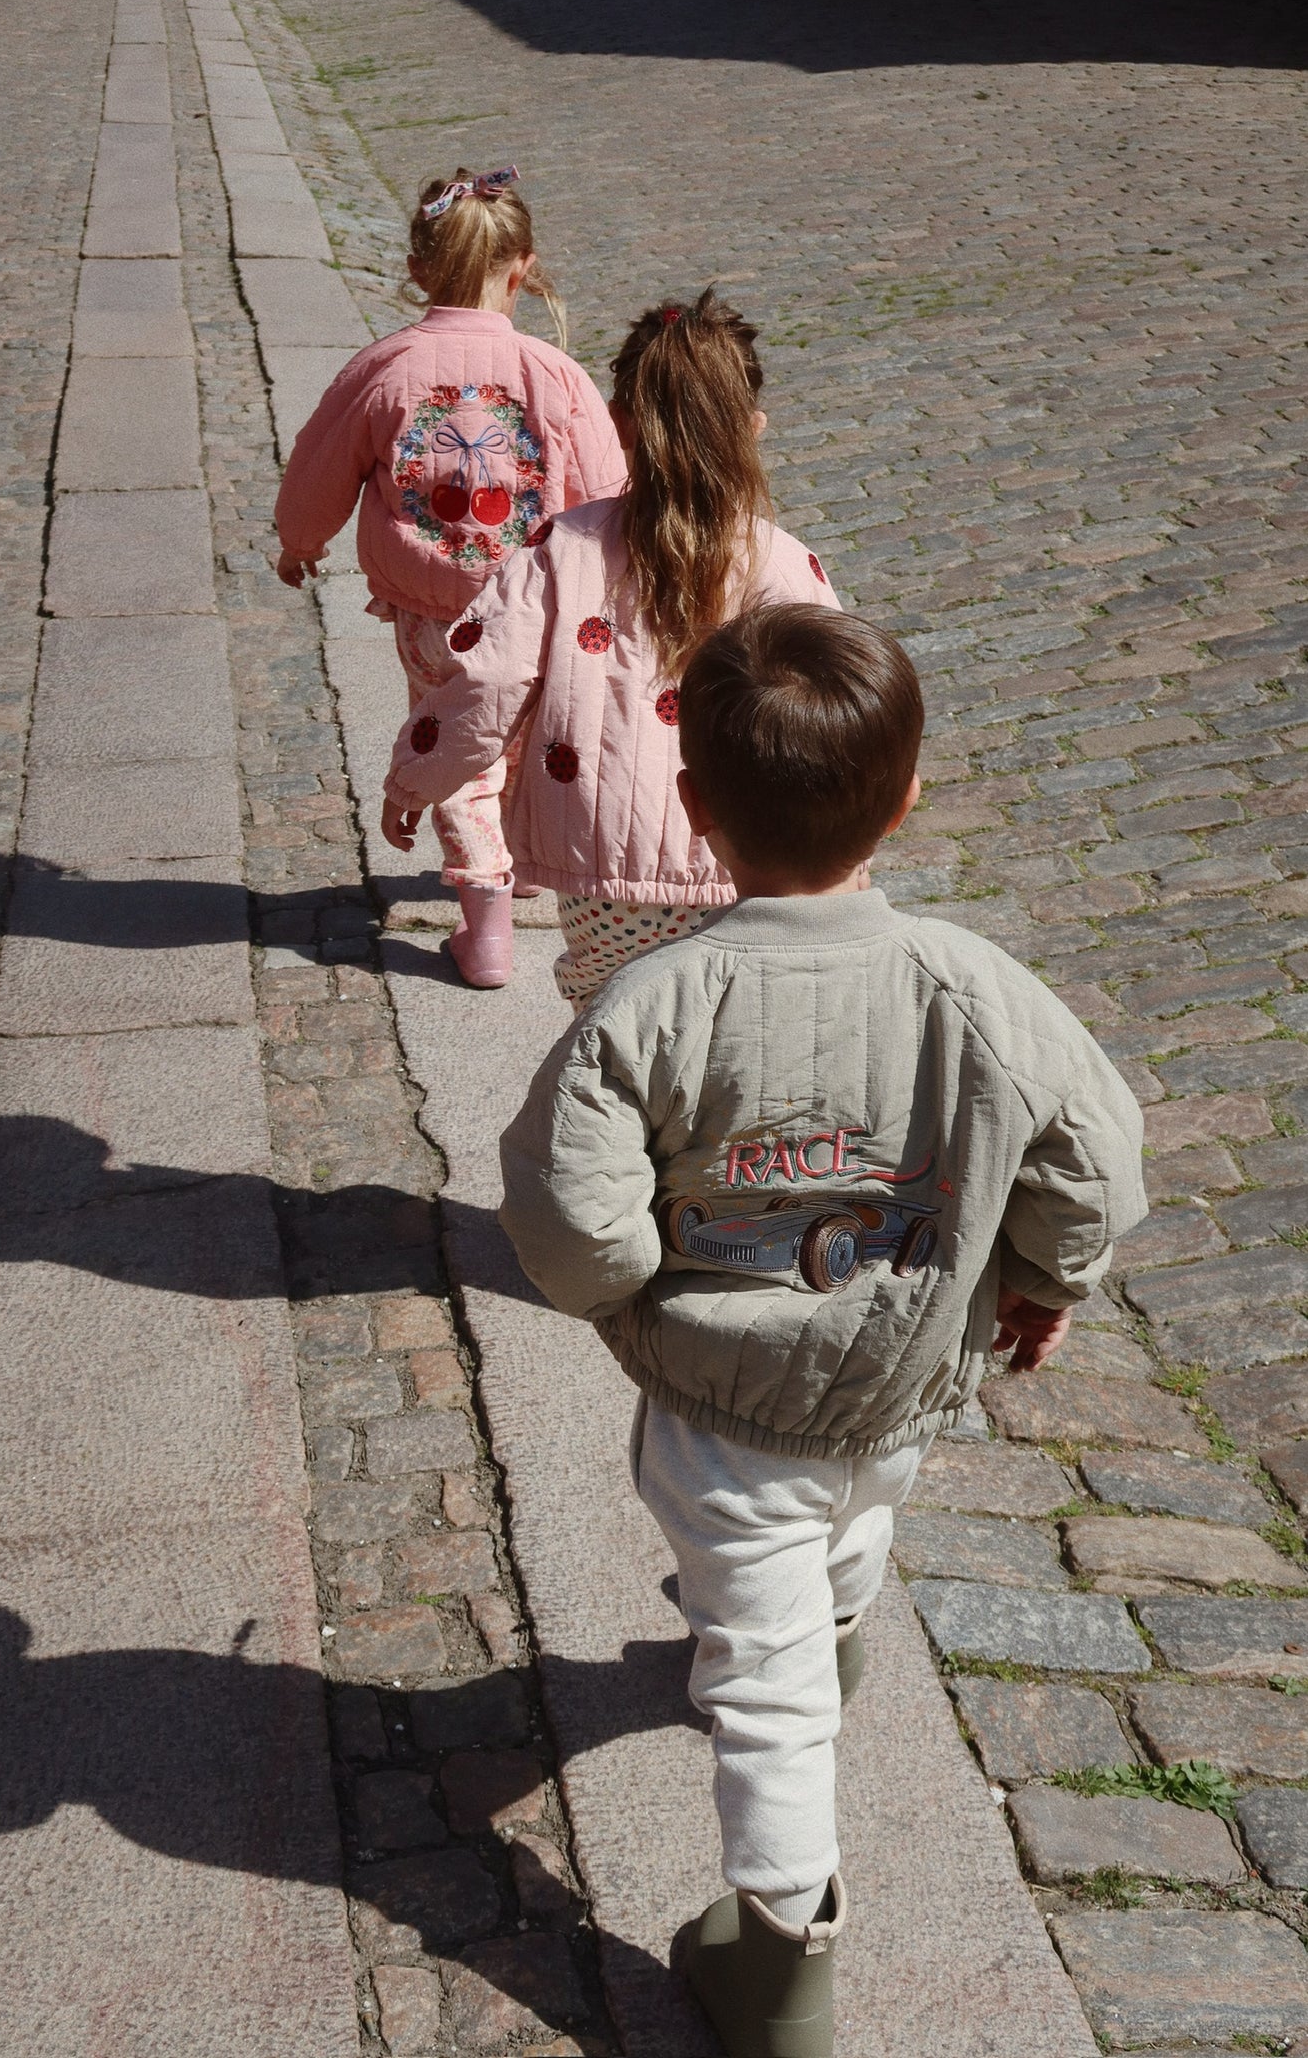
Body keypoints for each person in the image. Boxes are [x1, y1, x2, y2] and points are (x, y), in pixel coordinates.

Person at [497, 603, 1147, 2058]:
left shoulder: (646, 1006)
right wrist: (1042, 1283)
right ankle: (838, 1628)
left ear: (693, 807)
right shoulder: (982, 990)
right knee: (854, 1522)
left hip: (725, 1411)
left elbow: (570, 1221)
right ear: (906, 797)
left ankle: (785, 1949)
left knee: (767, 1693)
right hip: (900, 1385)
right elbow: (1092, 1161)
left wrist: (625, 1287)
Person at [381, 290, 838, 1007]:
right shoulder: (784, 564)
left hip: (597, 868)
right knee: (726, 1030)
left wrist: (416, 777)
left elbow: (485, 679)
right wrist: (847, 856)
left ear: (619, 423)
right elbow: (835, 717)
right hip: (746, 866)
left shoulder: (562, 549)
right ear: (753, 428)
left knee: (610, 1033)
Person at [274, 164, 624, 987]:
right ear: (522, 266)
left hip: (431, 609)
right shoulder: (555, 375)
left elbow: (317, 470)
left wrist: (300, 543)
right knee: (531, 733)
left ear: (417, 269)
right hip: (536, 606)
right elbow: (606, 490)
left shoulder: (384, 369)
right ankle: (530, 865)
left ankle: (487, 923)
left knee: (456, 742)